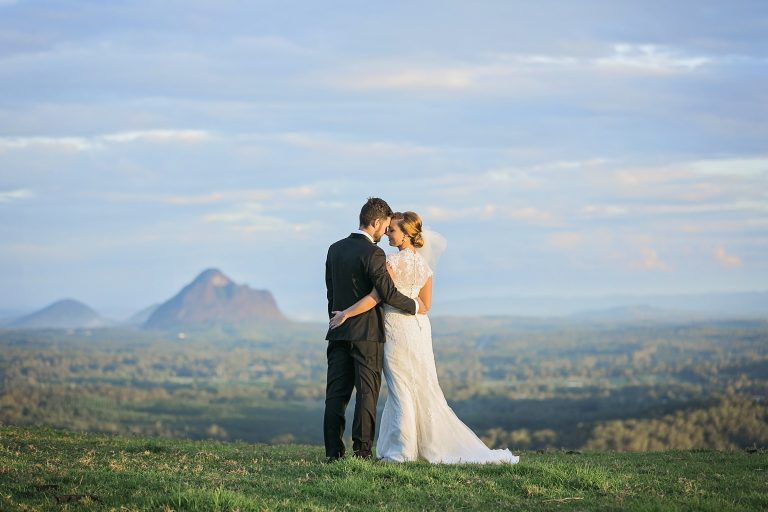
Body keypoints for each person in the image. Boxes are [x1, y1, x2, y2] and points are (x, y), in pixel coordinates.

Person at [329, 211, 519, 464]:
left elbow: (377, 296)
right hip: (418, 329)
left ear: (407, 235)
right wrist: (413, 309)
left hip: (396, 328)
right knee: (419, 384)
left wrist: (346, 314)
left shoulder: (392, 262)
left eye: (393, 230)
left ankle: (403, 450)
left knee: (400, 387)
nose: (387, 234)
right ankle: (422, 444)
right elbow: (425, 305)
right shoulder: (425, 267)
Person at [323, 198, 426, 462]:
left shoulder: (334, 249)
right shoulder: (374, 254)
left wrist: (338, 319)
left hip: (338, 332)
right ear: (376, 222)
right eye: (385, 227)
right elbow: (387, 293)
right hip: (367, 334)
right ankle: (362, 453)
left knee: (336, 395)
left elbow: (331, 294)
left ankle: (333, 453)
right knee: (367, 394)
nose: (385, 233)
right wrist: (414, 306)